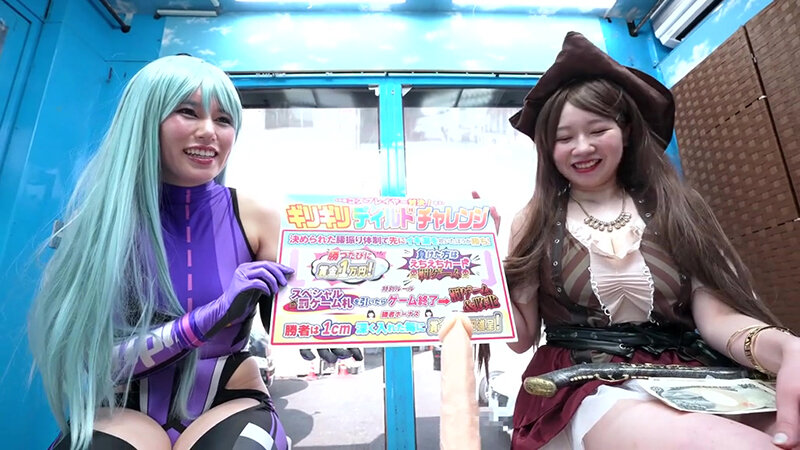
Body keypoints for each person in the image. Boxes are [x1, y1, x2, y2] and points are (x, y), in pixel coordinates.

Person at [503, 32, 800, 449]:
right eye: (564, 137)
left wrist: (784, 347)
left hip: (691, 375)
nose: (582, 147)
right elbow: (520, 339)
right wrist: (479, 269)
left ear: (625, 131)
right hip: (584, 384)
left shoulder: (677, 208)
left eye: (597, 129)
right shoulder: (533, 219)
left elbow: (717, 320)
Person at [28, 55, 294, 450]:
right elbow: (92, 361)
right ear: (143, 119)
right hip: (123, 412)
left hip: (230, 401)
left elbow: (304, 314)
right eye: (188, 112)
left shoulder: (259, 216)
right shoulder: (99, 226)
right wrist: (212, 315)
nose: (209, 131)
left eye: (224, 120)